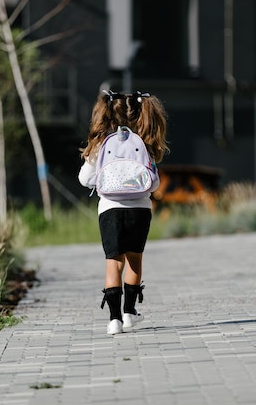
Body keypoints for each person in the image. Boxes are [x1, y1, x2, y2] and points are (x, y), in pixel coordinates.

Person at [78, 90, 170, 335]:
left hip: (109, 209)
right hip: (140, 209)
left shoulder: (100, 143)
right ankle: (130, 312)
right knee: (135, 260)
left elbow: (84, 178)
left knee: (113, 264)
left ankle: (114, 320)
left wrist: (102, 181)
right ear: (141, 112)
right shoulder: (144, 142)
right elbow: (155, 183)